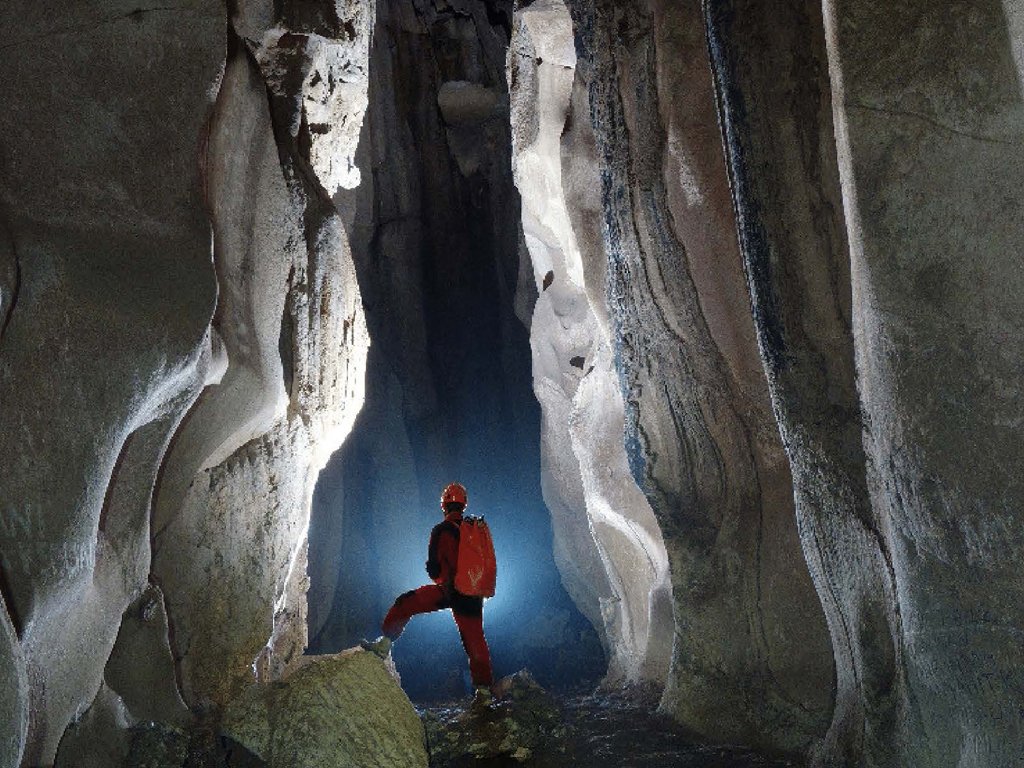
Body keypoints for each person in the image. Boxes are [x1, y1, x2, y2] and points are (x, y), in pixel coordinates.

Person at [362, 482, 494, 704]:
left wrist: (444, 581)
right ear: (464, 505)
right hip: (472, 593)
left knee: (406, 603)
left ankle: (384, 644)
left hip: (449, 590)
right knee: (475, 639)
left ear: (444, 505)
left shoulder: (442, 529)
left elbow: (433, 566)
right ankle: (484, 692)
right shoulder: (473, 530)